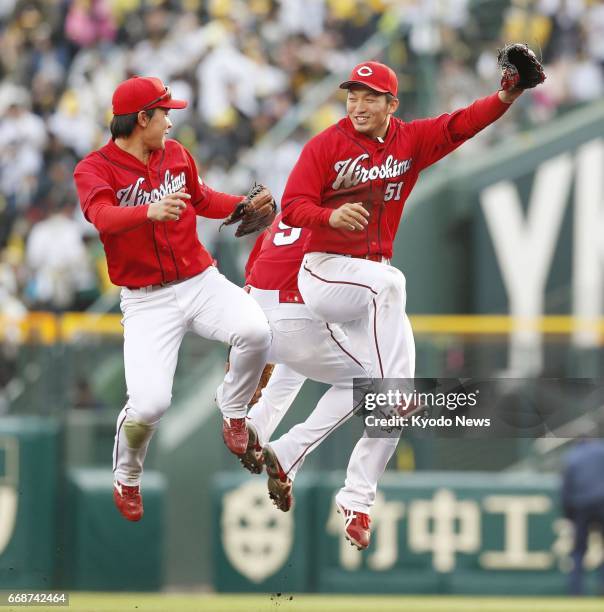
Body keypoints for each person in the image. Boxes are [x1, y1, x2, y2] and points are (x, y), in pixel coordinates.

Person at [279, 58, 537, 542]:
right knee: (392, 305)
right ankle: (392, 392)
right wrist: (329, 218)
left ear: (391, 104)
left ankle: (354, 500)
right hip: (326, 272)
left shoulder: (410, 140)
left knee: (398, 382)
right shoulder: (326, 145)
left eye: (369, 97)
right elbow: (292, 204)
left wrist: (507, 96)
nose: (357, 104)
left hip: (371, 286)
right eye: (352, 95)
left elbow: (462, 125)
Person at [73, 76, 274, 522]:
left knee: (256, 331)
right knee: (149, 405)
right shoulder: (94, 168)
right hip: (147, 301)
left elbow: (202, 199)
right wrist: (149, 210)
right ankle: (127, 475)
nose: (169, 120)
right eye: (163, 112)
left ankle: (235, 411)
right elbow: (102, 217)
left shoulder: (176, 153)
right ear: (141, 118)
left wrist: (239, 205)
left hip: (198, 280)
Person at [238, 212, 411, 549]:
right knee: (376, 383)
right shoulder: (345, 213)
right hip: (302, 313)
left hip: (260, 318)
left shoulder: (287, 215)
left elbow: (250, 282)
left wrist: (254, 355)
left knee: (299, 361)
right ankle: (296, 456)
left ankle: (256, 424)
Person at [561, 439, 604, 595]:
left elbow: (566, 488)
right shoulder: (601, 451)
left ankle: (576, 590)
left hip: (581, 505)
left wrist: (568, 514)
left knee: (579, 550)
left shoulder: (573, 456)